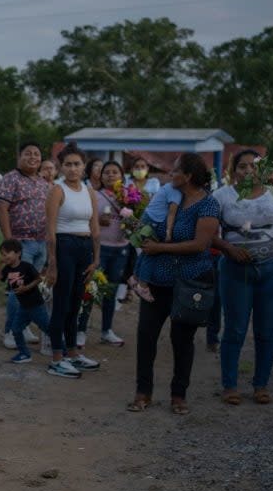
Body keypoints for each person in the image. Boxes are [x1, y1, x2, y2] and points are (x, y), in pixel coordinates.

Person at [126, 153, 221, 415]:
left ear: (188, 176)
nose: (170, 175)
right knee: (146, 336)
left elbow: (201, 245)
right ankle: (142, 392)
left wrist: (159, 248)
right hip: (157, 280)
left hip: (189, 282)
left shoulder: (208, 205)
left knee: (182, 340)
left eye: (175, 171)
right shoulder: (170, 196)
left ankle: (179, 395)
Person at [212, 149, 273, 406]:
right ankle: (229, 385)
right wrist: (227, 248)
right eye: (242, 166)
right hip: (235, 272)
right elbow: (207, 231)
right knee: (235, 329)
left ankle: (261, 385)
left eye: (253, 166)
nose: (248, 171)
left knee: (267, 331)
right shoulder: (221, 196)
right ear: (233, 171)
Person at [44, 142, 101, 378]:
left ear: (84, 167)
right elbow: (50, 231)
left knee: (76, 303)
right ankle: (57, 357)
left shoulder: (89, 191)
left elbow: (95, 227)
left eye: (77, 164)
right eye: (67, 164)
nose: (73, 168)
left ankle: (73, 353)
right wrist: (53, 264)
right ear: (61, 167)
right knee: (61, 303)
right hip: (64, 246)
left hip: (84, 248)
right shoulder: (58, 190)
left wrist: (96, 259)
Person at [0, 142, 48, 351]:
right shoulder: (10, 179)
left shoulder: (43, 182)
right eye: (28, 154)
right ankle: (9, 331)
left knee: (31, 289)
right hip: (20, 243)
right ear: (19, 157)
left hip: (41, 242)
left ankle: (23, 327)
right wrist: (10, 243)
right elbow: (1, 208)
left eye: (37, 154)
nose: (33, 157)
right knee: (16, 290)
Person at [76, 161, 130, 347]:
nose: (110, 175)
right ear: (100, 176)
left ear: (122, 176)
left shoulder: (129, 197)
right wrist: (98, 220)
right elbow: (84, 219)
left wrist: (131, 219)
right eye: (106, 172)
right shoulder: (94, 195)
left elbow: (137, 221)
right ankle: (81, 330)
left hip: (121, 249)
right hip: (99, 248)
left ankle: (106, 331)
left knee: (111, 292)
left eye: (115, 172)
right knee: (91, 290)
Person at [127, 181, 182, 302]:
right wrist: (168, 233)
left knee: (146, 251)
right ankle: (143, 286)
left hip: (147, 218)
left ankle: (135, 278)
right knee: (151, 252)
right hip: (153, 222)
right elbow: (171, 214)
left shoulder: (167, 186)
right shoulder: (176, 192)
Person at [0, 239, 50, 363]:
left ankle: (62, 350)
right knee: (16, 329)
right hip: (23, 306)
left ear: (18, 253)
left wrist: (26, 287)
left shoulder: (26, 266)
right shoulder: (7, 269)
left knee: (47, 328)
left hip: (36, 305)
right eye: (2, 254)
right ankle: (24, 353)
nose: (4, 257)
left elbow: (38, 279)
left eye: (7, 254)